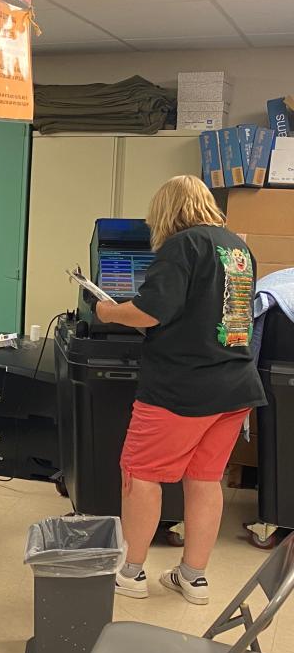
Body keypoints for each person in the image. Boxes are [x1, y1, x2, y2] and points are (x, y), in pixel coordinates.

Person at [98, 175, 266, 605]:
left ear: (167, 210)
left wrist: (109, 311)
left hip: (182, 388)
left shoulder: (181, 245)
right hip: (234, 386)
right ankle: (193, 577)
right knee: (206, 480)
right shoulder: (237, 249)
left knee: (140, 475)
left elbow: (150, 312)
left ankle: (132, 573)